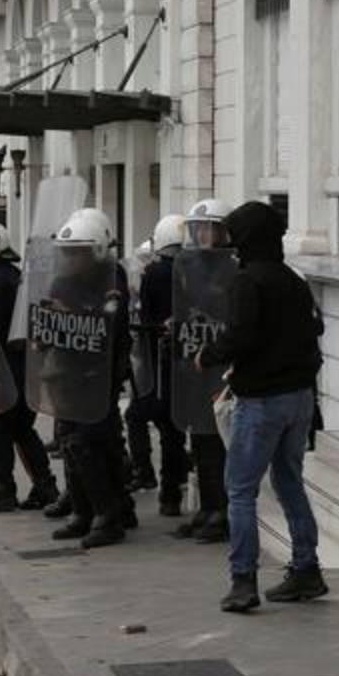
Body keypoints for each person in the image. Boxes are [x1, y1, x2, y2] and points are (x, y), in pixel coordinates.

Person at [196, 201, 326, 613]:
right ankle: (307, 569)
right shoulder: (293, 279)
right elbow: (315, 328)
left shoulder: (248, 281)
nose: (230, 244)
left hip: (263, 400)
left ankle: (243, 581)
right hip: (300, 397)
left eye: (234, 235)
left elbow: (240, 336)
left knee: (239, 491)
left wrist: (208, 355)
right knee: (290, 482)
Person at [42, 210, 134, 548]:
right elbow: (51, 320)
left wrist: (76, 317)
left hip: (100, 373)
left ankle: (108, 514)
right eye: (68, 251)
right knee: (70, 440)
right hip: (67, 371)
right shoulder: (61, 282)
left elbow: (110, 323)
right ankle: (83, 510)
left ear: (96, 251)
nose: (71, 258)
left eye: (78, 251)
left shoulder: (113, 279)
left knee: (93, 441)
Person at [0, 220, 61, 513]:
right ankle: (45, 487)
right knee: (20, 428)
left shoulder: (1, 279)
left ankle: (4, 490)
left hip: (6, 366)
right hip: (14, 366)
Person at [173, 199, 235, 544]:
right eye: (197, 229)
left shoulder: (234, 267)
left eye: (209, 227)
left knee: (219, 442)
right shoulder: (189, 265)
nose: (202, 235)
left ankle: (222, 510)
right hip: (194, 357)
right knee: (199, 440)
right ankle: (206, 506)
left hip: (220, 363)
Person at [131, 215, 191, 516]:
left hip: (162, 360)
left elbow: (146, 317)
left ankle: (161, 485)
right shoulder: (197, 269)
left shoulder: (154, 273)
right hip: (193, 360)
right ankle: (175, 483)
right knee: (179, 429)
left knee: (157, 422)